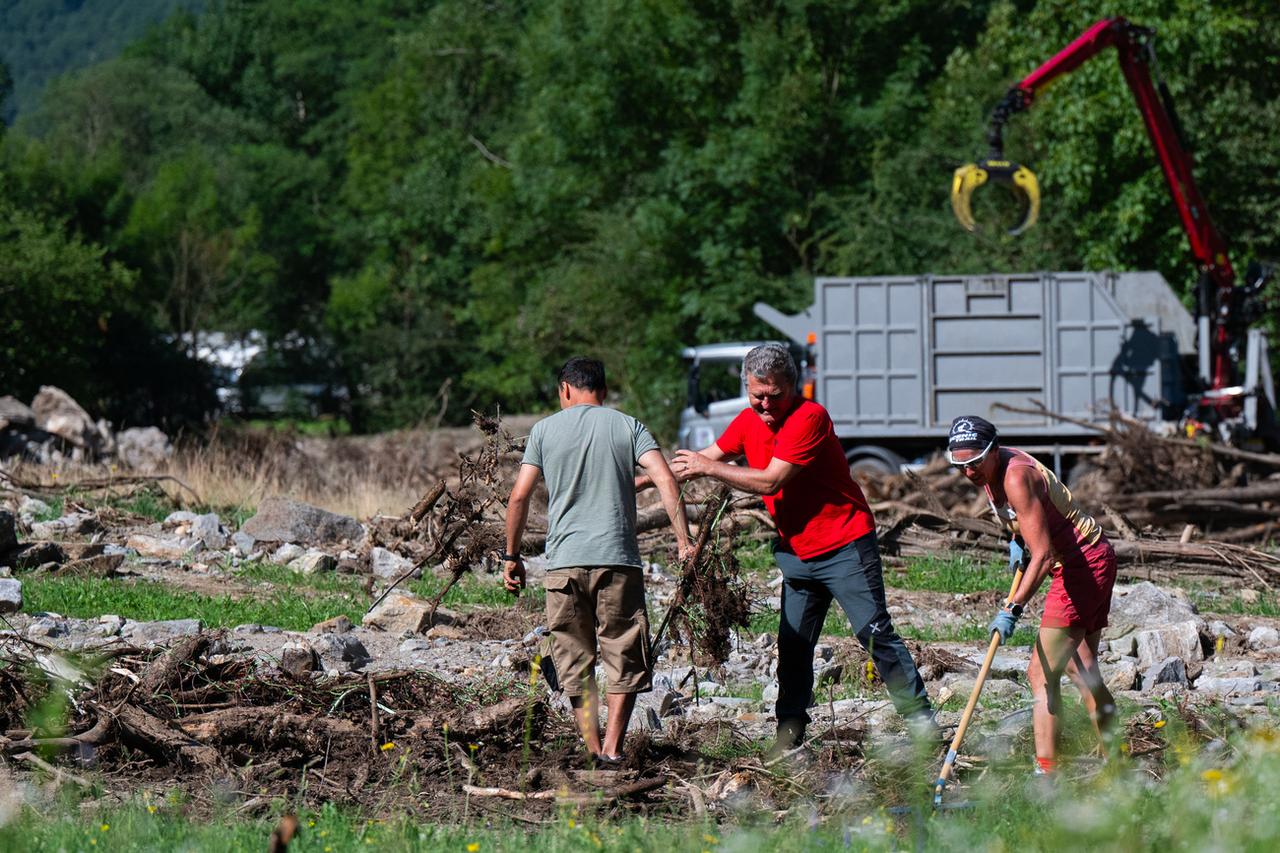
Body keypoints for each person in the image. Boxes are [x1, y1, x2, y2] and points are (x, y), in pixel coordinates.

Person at [666, 342, 937, 757]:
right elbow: (694, 462)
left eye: (775, 395)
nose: (765, 404)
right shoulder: (747, 420)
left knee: (874, 633)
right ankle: (789, 735)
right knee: (793, 646)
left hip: (844, 543)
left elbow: (771, 481)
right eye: (757, 395)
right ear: (747, 387)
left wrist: (709, 468)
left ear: (793, 387)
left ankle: (922, 726)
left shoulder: (810, 417)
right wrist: (640, 480)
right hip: (797, 553)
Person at [503, 356, 691, 765]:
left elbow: (518, 496)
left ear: (564, 390)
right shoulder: (628, 426)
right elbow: (664, 478)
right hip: (618, 560)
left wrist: (511, 557)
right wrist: (683, 542)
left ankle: (591, 749)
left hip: (564, 564)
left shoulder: (543, 430)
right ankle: (613, 749)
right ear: (602, 391)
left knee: (574, 657)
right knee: (623, 652)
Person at [945, 415, 1117, 775]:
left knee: (1040, 672)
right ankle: (1115, 757)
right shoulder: (994, 473)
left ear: (992, 451)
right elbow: (1030, 521)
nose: (969, 473)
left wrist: (1012, 608)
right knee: (1079, 665)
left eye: (975, 462)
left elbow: (1041, 557)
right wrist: (1016, 539)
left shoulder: (1015, 477)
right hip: (1090, 557)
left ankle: (1046, 775)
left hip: (1080, 565)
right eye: (961, 465)